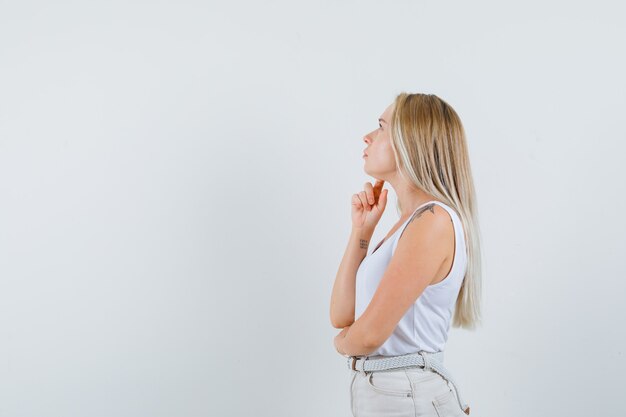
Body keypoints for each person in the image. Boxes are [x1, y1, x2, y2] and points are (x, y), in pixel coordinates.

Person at [329, 92, 482, 416]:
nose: (367, 137)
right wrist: (362, 231)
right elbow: (342, 316)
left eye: (381, 126)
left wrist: (342, 345)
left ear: (411, 142)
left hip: (409, 397)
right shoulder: (409, 223)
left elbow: (367, 336)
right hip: (390, 394)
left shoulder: (433, 222)